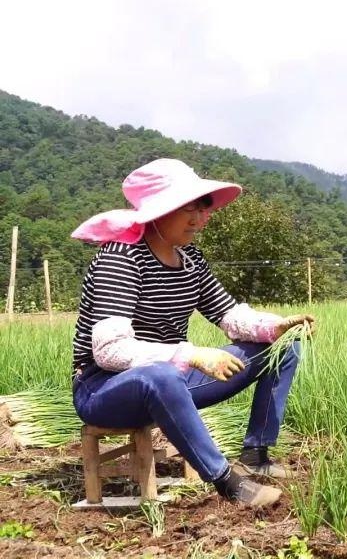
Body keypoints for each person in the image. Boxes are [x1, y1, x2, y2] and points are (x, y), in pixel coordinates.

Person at [70, 158, 315, 507]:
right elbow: (109, 350)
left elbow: (229, 315)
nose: (200, 219)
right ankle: (226, 481)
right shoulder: (120, 258)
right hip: (104, 389)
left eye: (203, 208)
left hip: (174, 377)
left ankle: (256, 453)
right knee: (161, 376)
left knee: (282, 349)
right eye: (190, 208)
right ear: (159, 210)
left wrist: (274, 327)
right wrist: (192, 355)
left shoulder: (191, 261)